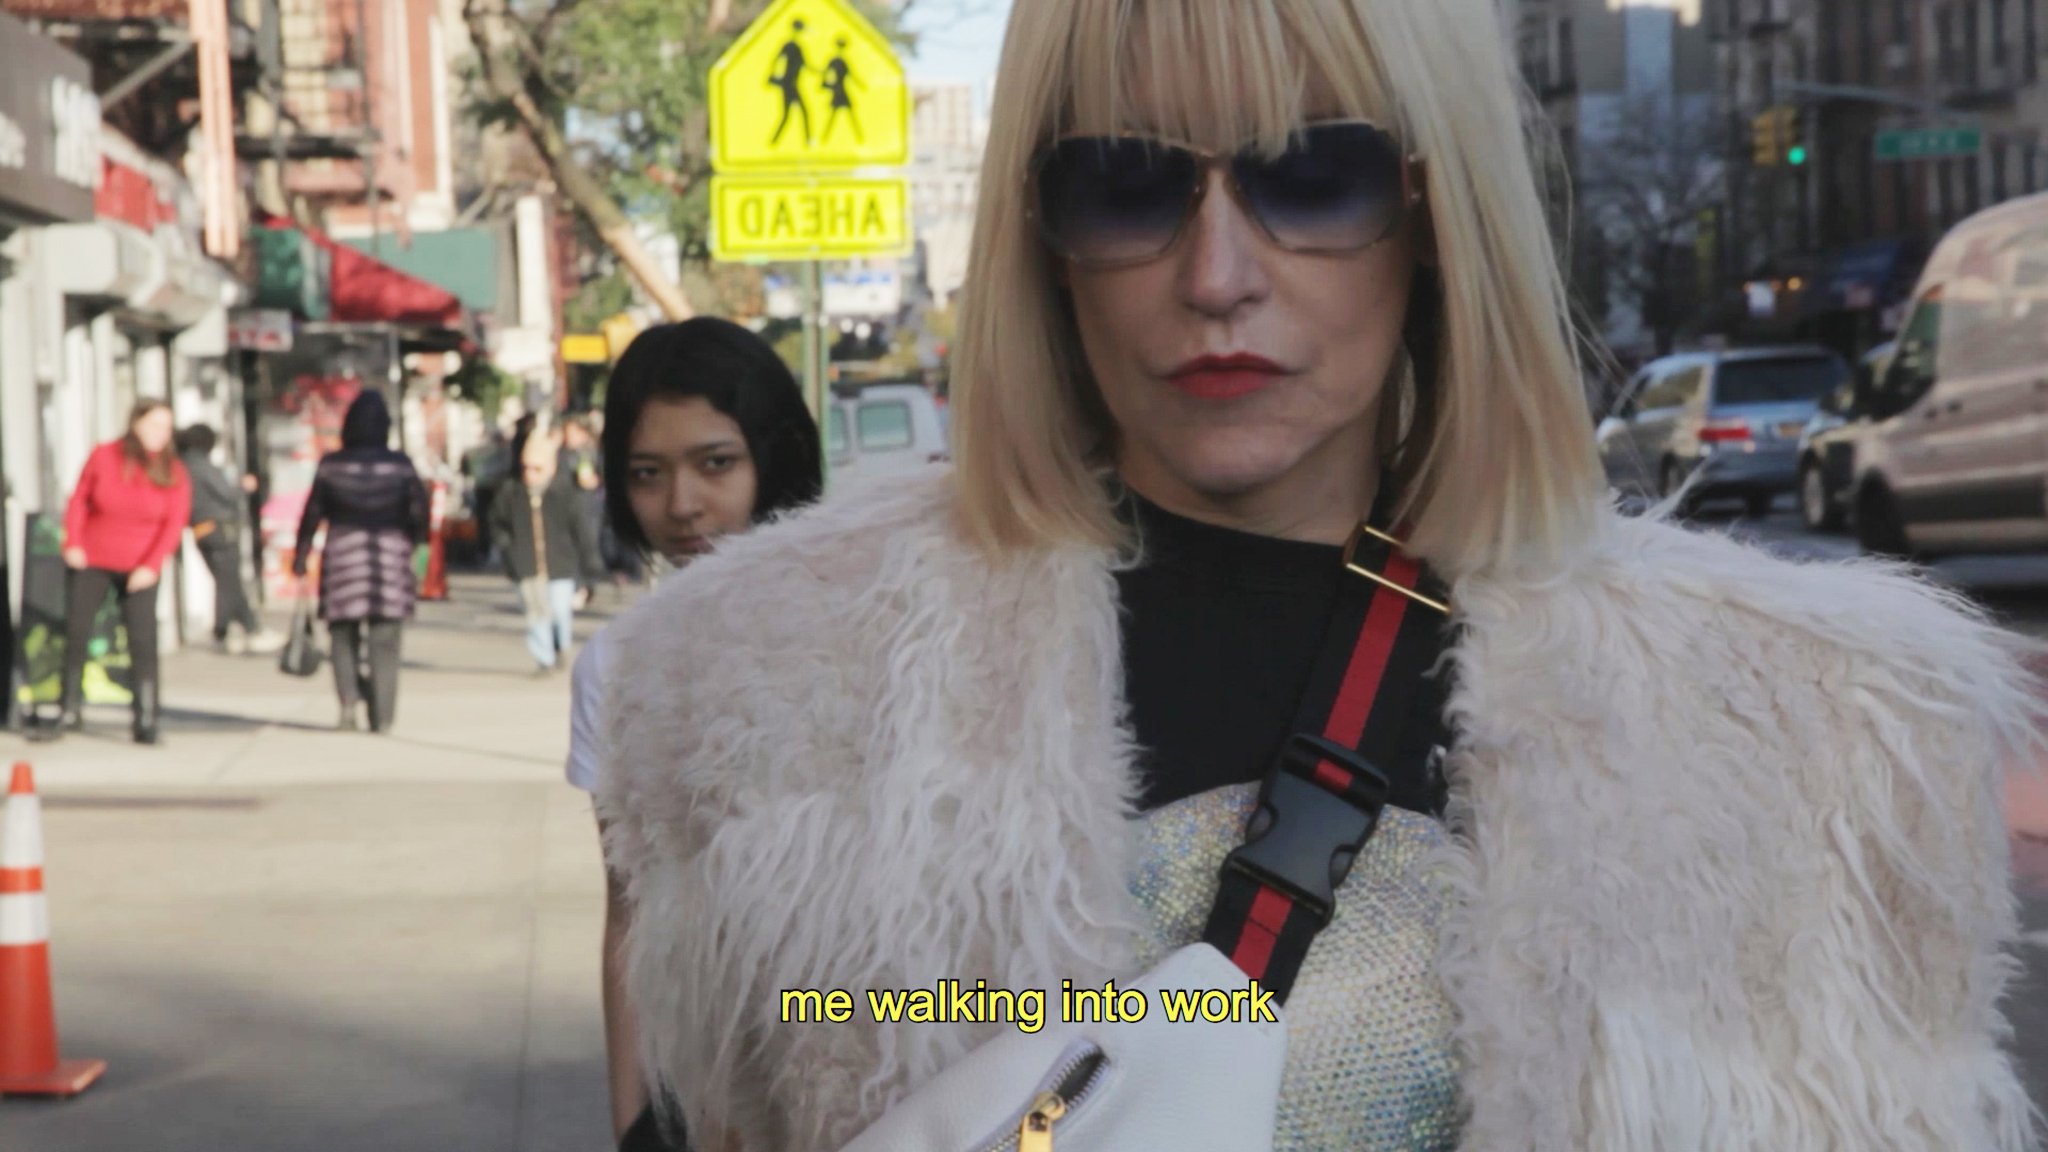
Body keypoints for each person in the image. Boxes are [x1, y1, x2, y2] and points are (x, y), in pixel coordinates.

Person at [595, 2, 2044, 1150]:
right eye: (1127, 183)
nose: (1218, 272)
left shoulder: (1800, 730)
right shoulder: (780, 693)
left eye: (1313, 172)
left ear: (1433, 212)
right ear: (1042, 233)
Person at [564, 318, 822, 1151]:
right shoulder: (615, 667)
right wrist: (634, 1123)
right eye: (648, 474)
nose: (681, 505)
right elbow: (628, 912)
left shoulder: (862, 629)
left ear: (774, 456)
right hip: (702, 1102)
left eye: (715, 464)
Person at [291, 391, 429, 733]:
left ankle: (349, 706)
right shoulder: (399, 465)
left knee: (342, 637)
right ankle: (383, 716)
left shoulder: (332, 464)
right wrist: (417, 545)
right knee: (386, 641)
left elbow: (312, 513)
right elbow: (419, 512)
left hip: (343, 560)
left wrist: (301, 554)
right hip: (390, 561)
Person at [57, 399, 190, 744]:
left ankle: (146, 717)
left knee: (142, 641)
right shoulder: (105, 455)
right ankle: (69, 708)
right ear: (136, 423)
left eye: (167, 427)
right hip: (93, 557)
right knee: (77, 632)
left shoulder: (173, 469)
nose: (161, 434)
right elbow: (79, 499)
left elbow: (174, 523)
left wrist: (152, 565)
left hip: (141, 564)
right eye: (155, 425)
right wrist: (73, 542)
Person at [488, 428, 603, 674]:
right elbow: (497, 523)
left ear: (550, 467)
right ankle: (544, 658)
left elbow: (582, 531)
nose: (530, 474)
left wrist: (590, 567)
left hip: (561, 564)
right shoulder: (511, 492)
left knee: (560, 611)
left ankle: (560, 645)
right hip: (525, 564)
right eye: (526, 468)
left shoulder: (565, 493)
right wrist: (508, 552)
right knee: (535, 613)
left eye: (537, 469)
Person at [178, 425, 285, 655]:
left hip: (202, 530)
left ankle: (248, 629)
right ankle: (228, 632)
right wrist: (244, 487)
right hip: (219, 530)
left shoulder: (184, 464)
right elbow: (227, 493)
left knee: (229, 582)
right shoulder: (201, 465)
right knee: (229, 583)